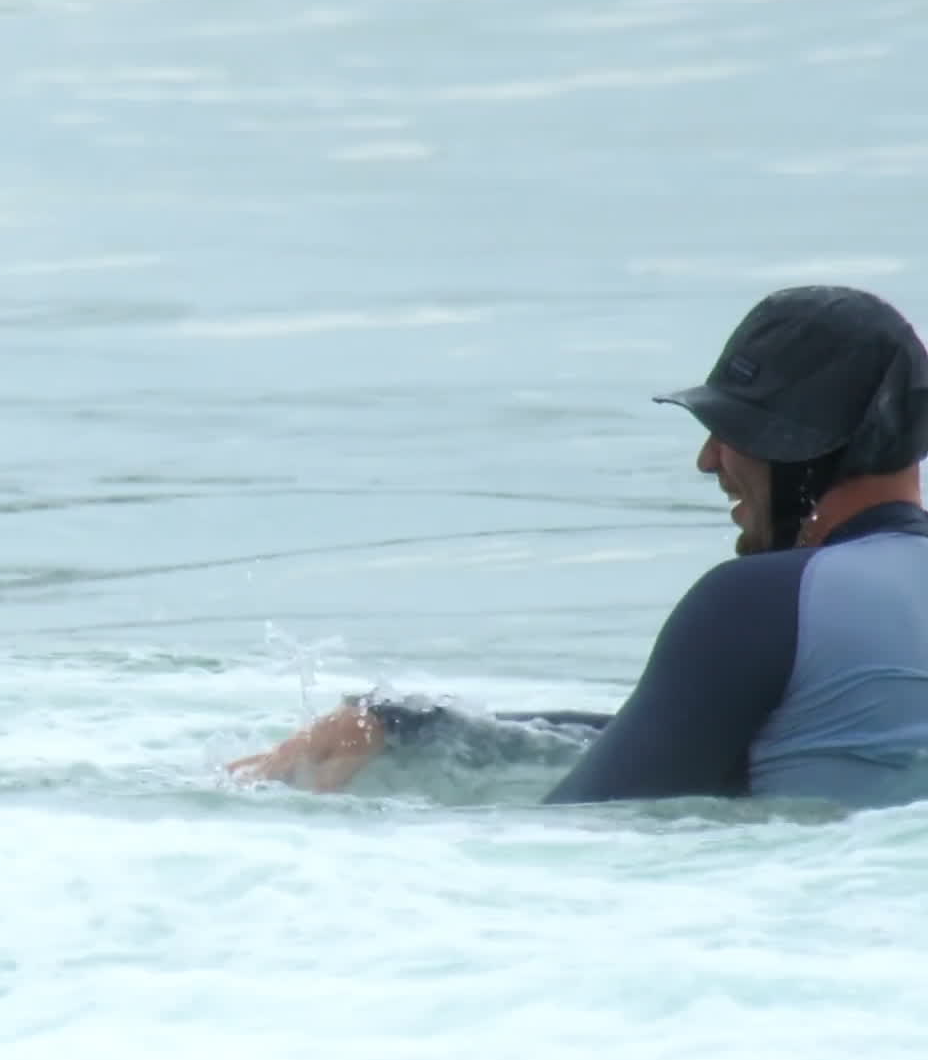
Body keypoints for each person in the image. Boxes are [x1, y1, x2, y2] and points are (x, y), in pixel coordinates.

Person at [235, 286, 928, 806]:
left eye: (735, 430)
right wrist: (409, 726)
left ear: (805, 447)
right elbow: (668, 732)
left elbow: (584, 832)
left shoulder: (760, 603)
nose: (710, 460)